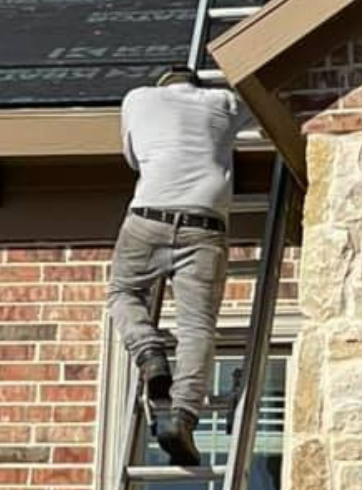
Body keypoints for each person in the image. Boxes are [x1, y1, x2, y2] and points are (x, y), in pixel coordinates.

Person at [106, 64, 239, 467]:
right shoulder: (224, 101)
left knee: (123, 292)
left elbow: (133, 159)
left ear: (161, 83)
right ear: (197, 84)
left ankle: (150, 354)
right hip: (205, 221)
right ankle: (182, 417)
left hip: (149, 215)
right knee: (197, 326)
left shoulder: (137, 98)